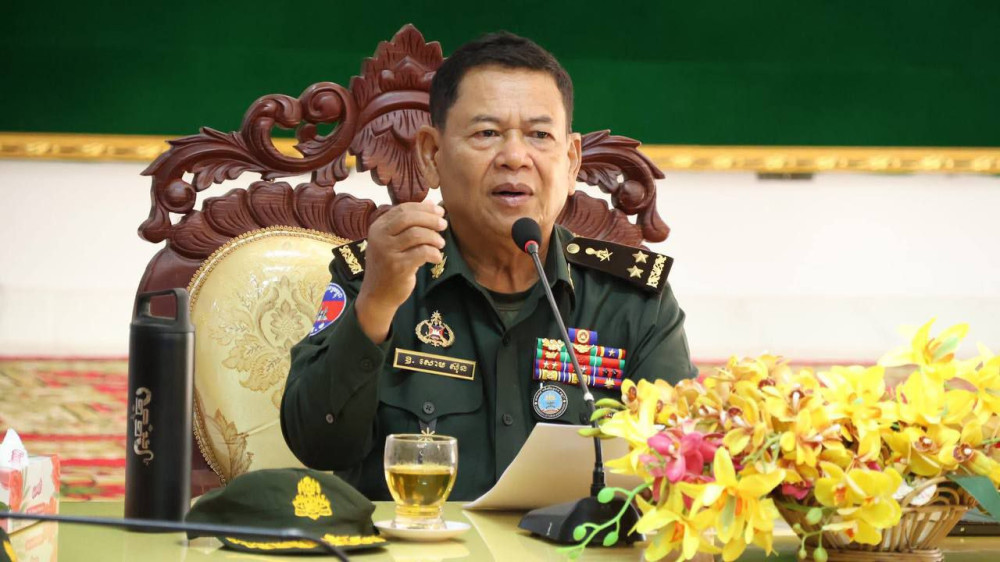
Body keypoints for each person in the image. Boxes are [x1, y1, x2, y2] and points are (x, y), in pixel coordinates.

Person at [280, 31, 697, 501]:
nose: (515, 157)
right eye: (486, 134)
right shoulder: (377, 276)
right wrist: (375, 305)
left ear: (570, 161)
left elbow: (680, 468)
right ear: (431, 155)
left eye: (540, 135)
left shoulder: (632, 302)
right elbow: (318, 444)